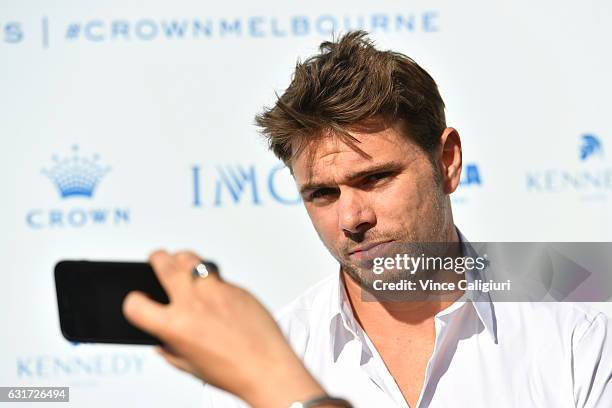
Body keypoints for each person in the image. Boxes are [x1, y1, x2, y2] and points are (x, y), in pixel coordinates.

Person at [123, 31, 612, 407]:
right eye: (322, 193)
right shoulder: (266, 356)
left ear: (447, 162)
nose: (352, 217)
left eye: (375, 178)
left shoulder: (576, 334)